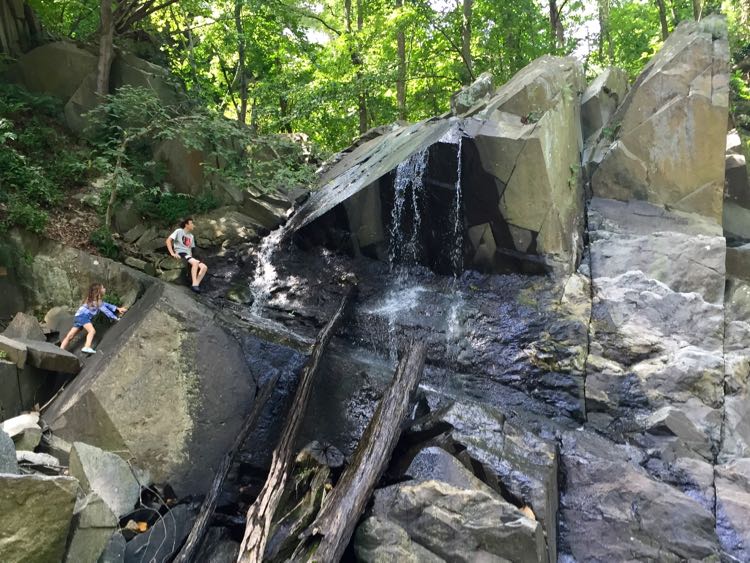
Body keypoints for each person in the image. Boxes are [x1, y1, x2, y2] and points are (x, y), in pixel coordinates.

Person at [60, 283, 127, 354]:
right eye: (103, 288)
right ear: (99, 291)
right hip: (83, 316)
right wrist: (115, 318)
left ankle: (60, 350)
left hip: (78, 316)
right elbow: (105, 310)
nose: (105, 289)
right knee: (92, 331)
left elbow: (107, 305)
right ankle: (86, 347)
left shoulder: (93, 300)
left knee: (70, 336)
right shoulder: (97, 302)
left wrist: (118, 308)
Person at [165, 217, 208, 293]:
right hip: (180, 252)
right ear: (186, 225)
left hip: (188, 255)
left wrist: (191, 260)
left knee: (204, 267)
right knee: (195, 262)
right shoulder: (179, 231)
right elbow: (168, 240)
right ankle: (195, 285)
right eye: (191, 223)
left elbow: (190, 249)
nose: (193, 225)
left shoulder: (191, 236)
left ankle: (196, 284)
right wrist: (172, 253)